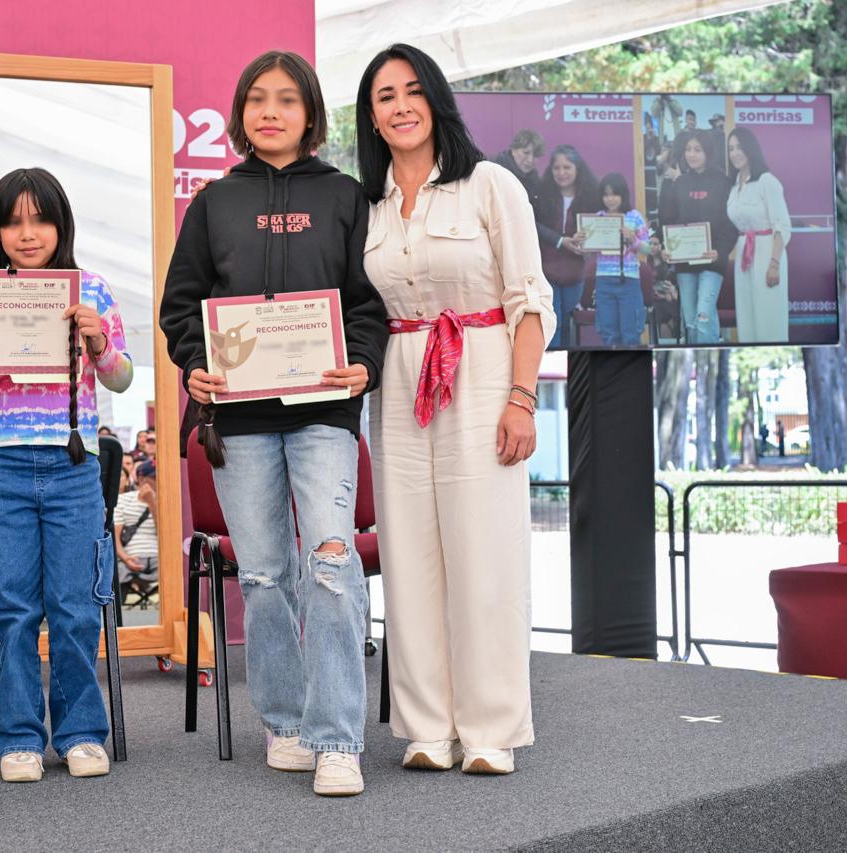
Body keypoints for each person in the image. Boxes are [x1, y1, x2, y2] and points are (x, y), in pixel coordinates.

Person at [160, 50, 388, 797]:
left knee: (328, 563)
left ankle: (337, 739)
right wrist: (194, 364)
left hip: (324, 410)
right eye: (257, 99)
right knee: (261, 576)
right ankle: (284, 722)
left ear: (311, 114)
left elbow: (369, 299)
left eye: (287, 100)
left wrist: (363, 361)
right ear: (240, 112)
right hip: (240, 417)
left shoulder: (348, 196)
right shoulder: (214, 202)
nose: (270, 112)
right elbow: (181, 305)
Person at [355, 43, 553, 776]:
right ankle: (426, 726)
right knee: (409, 553)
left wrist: (522, 398)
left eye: (412, 90)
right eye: (385, 96)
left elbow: (529, 297)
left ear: (435, 100)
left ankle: (490, 729)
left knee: (485, 548)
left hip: (482, 367)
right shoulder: (367, 207)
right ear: (370, 117)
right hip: (401, 381)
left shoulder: (489, 186)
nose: (400, 105)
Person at [0, 167, 133, 783]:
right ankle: (18, 735)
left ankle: (80, 733)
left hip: (72, 462)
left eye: (40, 218)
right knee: (10, 609)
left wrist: (98, 341)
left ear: (60, 224)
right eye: (12, 220)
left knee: (76, 606)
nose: (27, 233)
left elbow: (122, 379)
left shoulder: (90, 289)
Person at [657, 131, 735, 344]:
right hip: (684, 264)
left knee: (703, 314)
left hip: (712, 261)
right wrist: (668, 247)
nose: (691, 155)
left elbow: (730, 224)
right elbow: (670, 220)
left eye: (697, 150)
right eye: (688, 149)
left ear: (708, 152)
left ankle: (708, 353)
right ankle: (695, 353)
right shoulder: (679, 183)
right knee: (690, 320)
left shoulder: (724, 183)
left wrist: (720, 250)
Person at [726, 127, 791, 343]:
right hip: (744, 258)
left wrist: (774, 263)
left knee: (768, 315)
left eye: (739, 147)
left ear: (750, 148)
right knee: (747, 315)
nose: (735, 153)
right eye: (731, 148)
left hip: (767, 255)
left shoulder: (767, 181)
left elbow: (781, 225)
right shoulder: (735, 186)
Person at [534, 144, 598, 347]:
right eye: (556, 168)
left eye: (567, 167)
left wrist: (588, 244)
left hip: (575, 272)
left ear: (577, 169)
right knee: (553, 323)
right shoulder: (541, 194)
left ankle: (569, 372)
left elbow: (600, 230)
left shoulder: (591, 197)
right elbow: (533, 225)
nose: (561, 173)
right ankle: (552, 370)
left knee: (568, 323)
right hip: (546, 271)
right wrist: (561, 241)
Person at [583, 173, 649, 346]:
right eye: (606, 194)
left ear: (623, 194)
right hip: (603, 282)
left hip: (629, 281)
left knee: (631, 335)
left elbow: (647, 249)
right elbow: (586, 253)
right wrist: (583, 241)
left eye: (614, 194)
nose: (610, 199)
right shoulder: (597, 218)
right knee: (608, 335)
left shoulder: (634, 216)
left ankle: (632, 372)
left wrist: (632, 239)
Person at [114, 459, 159, 605]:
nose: (157, 481)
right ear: (141, 478)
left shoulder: (167, 500)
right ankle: (116, 620)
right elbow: (115, 538)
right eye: (153, 477)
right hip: (129, 557)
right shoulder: (122, 500)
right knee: (116, 572)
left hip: (159, 558)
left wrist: (152, 502)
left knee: (177, 571)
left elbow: (164, 536)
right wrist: (125, 558)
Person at [489, 129, 544, 206]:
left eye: (536, 155)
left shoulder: (535, 181)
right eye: (526, 153)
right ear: (513, 150)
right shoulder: (494, 170)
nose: (530, 160)